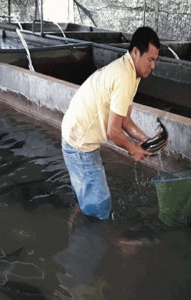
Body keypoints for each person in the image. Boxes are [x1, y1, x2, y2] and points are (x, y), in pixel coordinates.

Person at [61, 26, 161, 221]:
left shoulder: (130, 73)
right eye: (150, 59)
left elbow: (125, 121)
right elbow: (114, 132)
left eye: (155, 61)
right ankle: (99, 243)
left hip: (74, 137)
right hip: (80, 144)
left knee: (88, 199)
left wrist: (148, 140)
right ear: (135, 52)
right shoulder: (124, 76)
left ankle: (76, 218)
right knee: (101, 207)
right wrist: (134, 150)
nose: (153, 66)